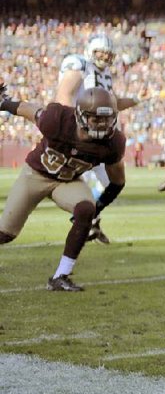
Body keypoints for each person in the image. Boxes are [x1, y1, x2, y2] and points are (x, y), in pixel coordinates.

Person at [0, 84, 126, 291]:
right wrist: (3, 103)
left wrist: (98, 207)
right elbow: (27, 109)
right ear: (80, 116)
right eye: (96, 118)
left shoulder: (114, 143)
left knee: (86, 209)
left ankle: (61, 276)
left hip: (68, 181)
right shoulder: (57, 120)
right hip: (36, 175)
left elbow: (118, 181)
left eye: (107, 118)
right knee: (5, 234)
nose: (103, 125)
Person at [54, 33, 140, 243]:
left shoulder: (106, 75)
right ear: (90, 51)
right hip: (79, 133)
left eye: (107, 53)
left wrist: (136, 100)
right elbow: (64, 94)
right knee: (87, 184)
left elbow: (110, 104)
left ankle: (88, 221)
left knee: (112, 182)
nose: (104, 56)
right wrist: (71, 129)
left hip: (98, 135)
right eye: (100, 52)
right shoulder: (79, 64)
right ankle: (86, 221)